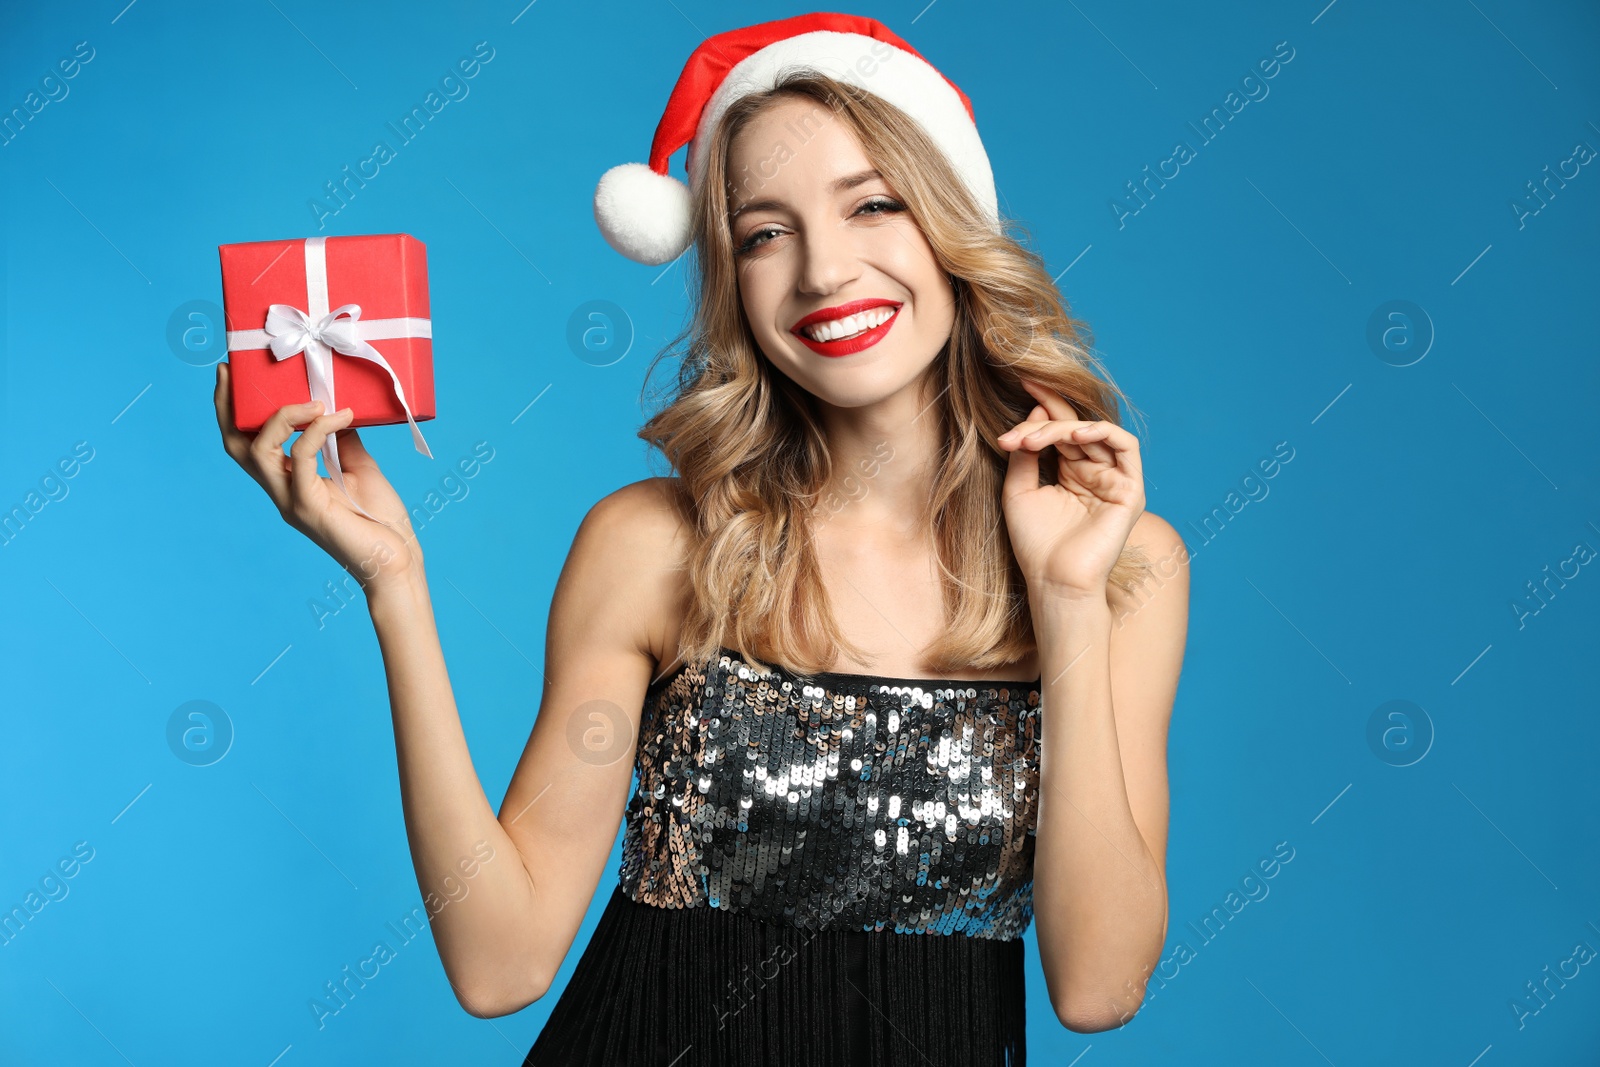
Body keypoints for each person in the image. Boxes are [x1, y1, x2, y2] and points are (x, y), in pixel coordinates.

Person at [213, 11, 1188, 1066]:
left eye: (873, 205)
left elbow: (1097, 985)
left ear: (954, 230)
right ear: (730, 276)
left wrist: (1066, 597)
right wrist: (393, 581)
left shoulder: (1122, 562)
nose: (822, 271)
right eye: (765, 233)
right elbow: (499, 962)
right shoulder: (654, 543)